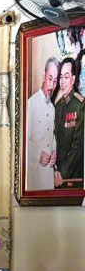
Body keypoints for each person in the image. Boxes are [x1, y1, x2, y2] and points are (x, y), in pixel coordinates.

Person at [25, 58, 60, 191]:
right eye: (50, 78)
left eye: (55, 81)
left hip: (48, 176)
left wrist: (54, 152)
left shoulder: (52, 108)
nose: (52, 85)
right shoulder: (30, 104)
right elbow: (22, 143)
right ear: (43, 77)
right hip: (34, 176)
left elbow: (52, 137)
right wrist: (37, 155)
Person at [53, 55, 84, 189]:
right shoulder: (57, 106)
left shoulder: (80, 105)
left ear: (73, 79)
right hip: (57, 177)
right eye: (60, 77)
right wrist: (55, 170)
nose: (62, 82)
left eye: (66, 77)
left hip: (74, 178)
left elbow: (79, 146)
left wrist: (62, 173)